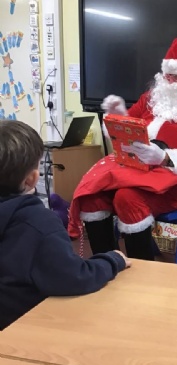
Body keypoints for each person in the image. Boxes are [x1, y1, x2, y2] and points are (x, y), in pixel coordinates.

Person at [68, 38, 177, 261]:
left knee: (127, 198)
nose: (171, 82)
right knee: (93, 194)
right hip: (135, 171)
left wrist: (165, 158)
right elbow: (128, 127)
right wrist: (118, 117)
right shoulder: (151, 98)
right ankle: (106, 262)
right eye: (168, 75)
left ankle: (142, 270)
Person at [0, 120, 131, 330]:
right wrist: (113, 260)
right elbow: (75, 278)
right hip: (21, 329)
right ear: (32, 179)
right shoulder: (39, 224)